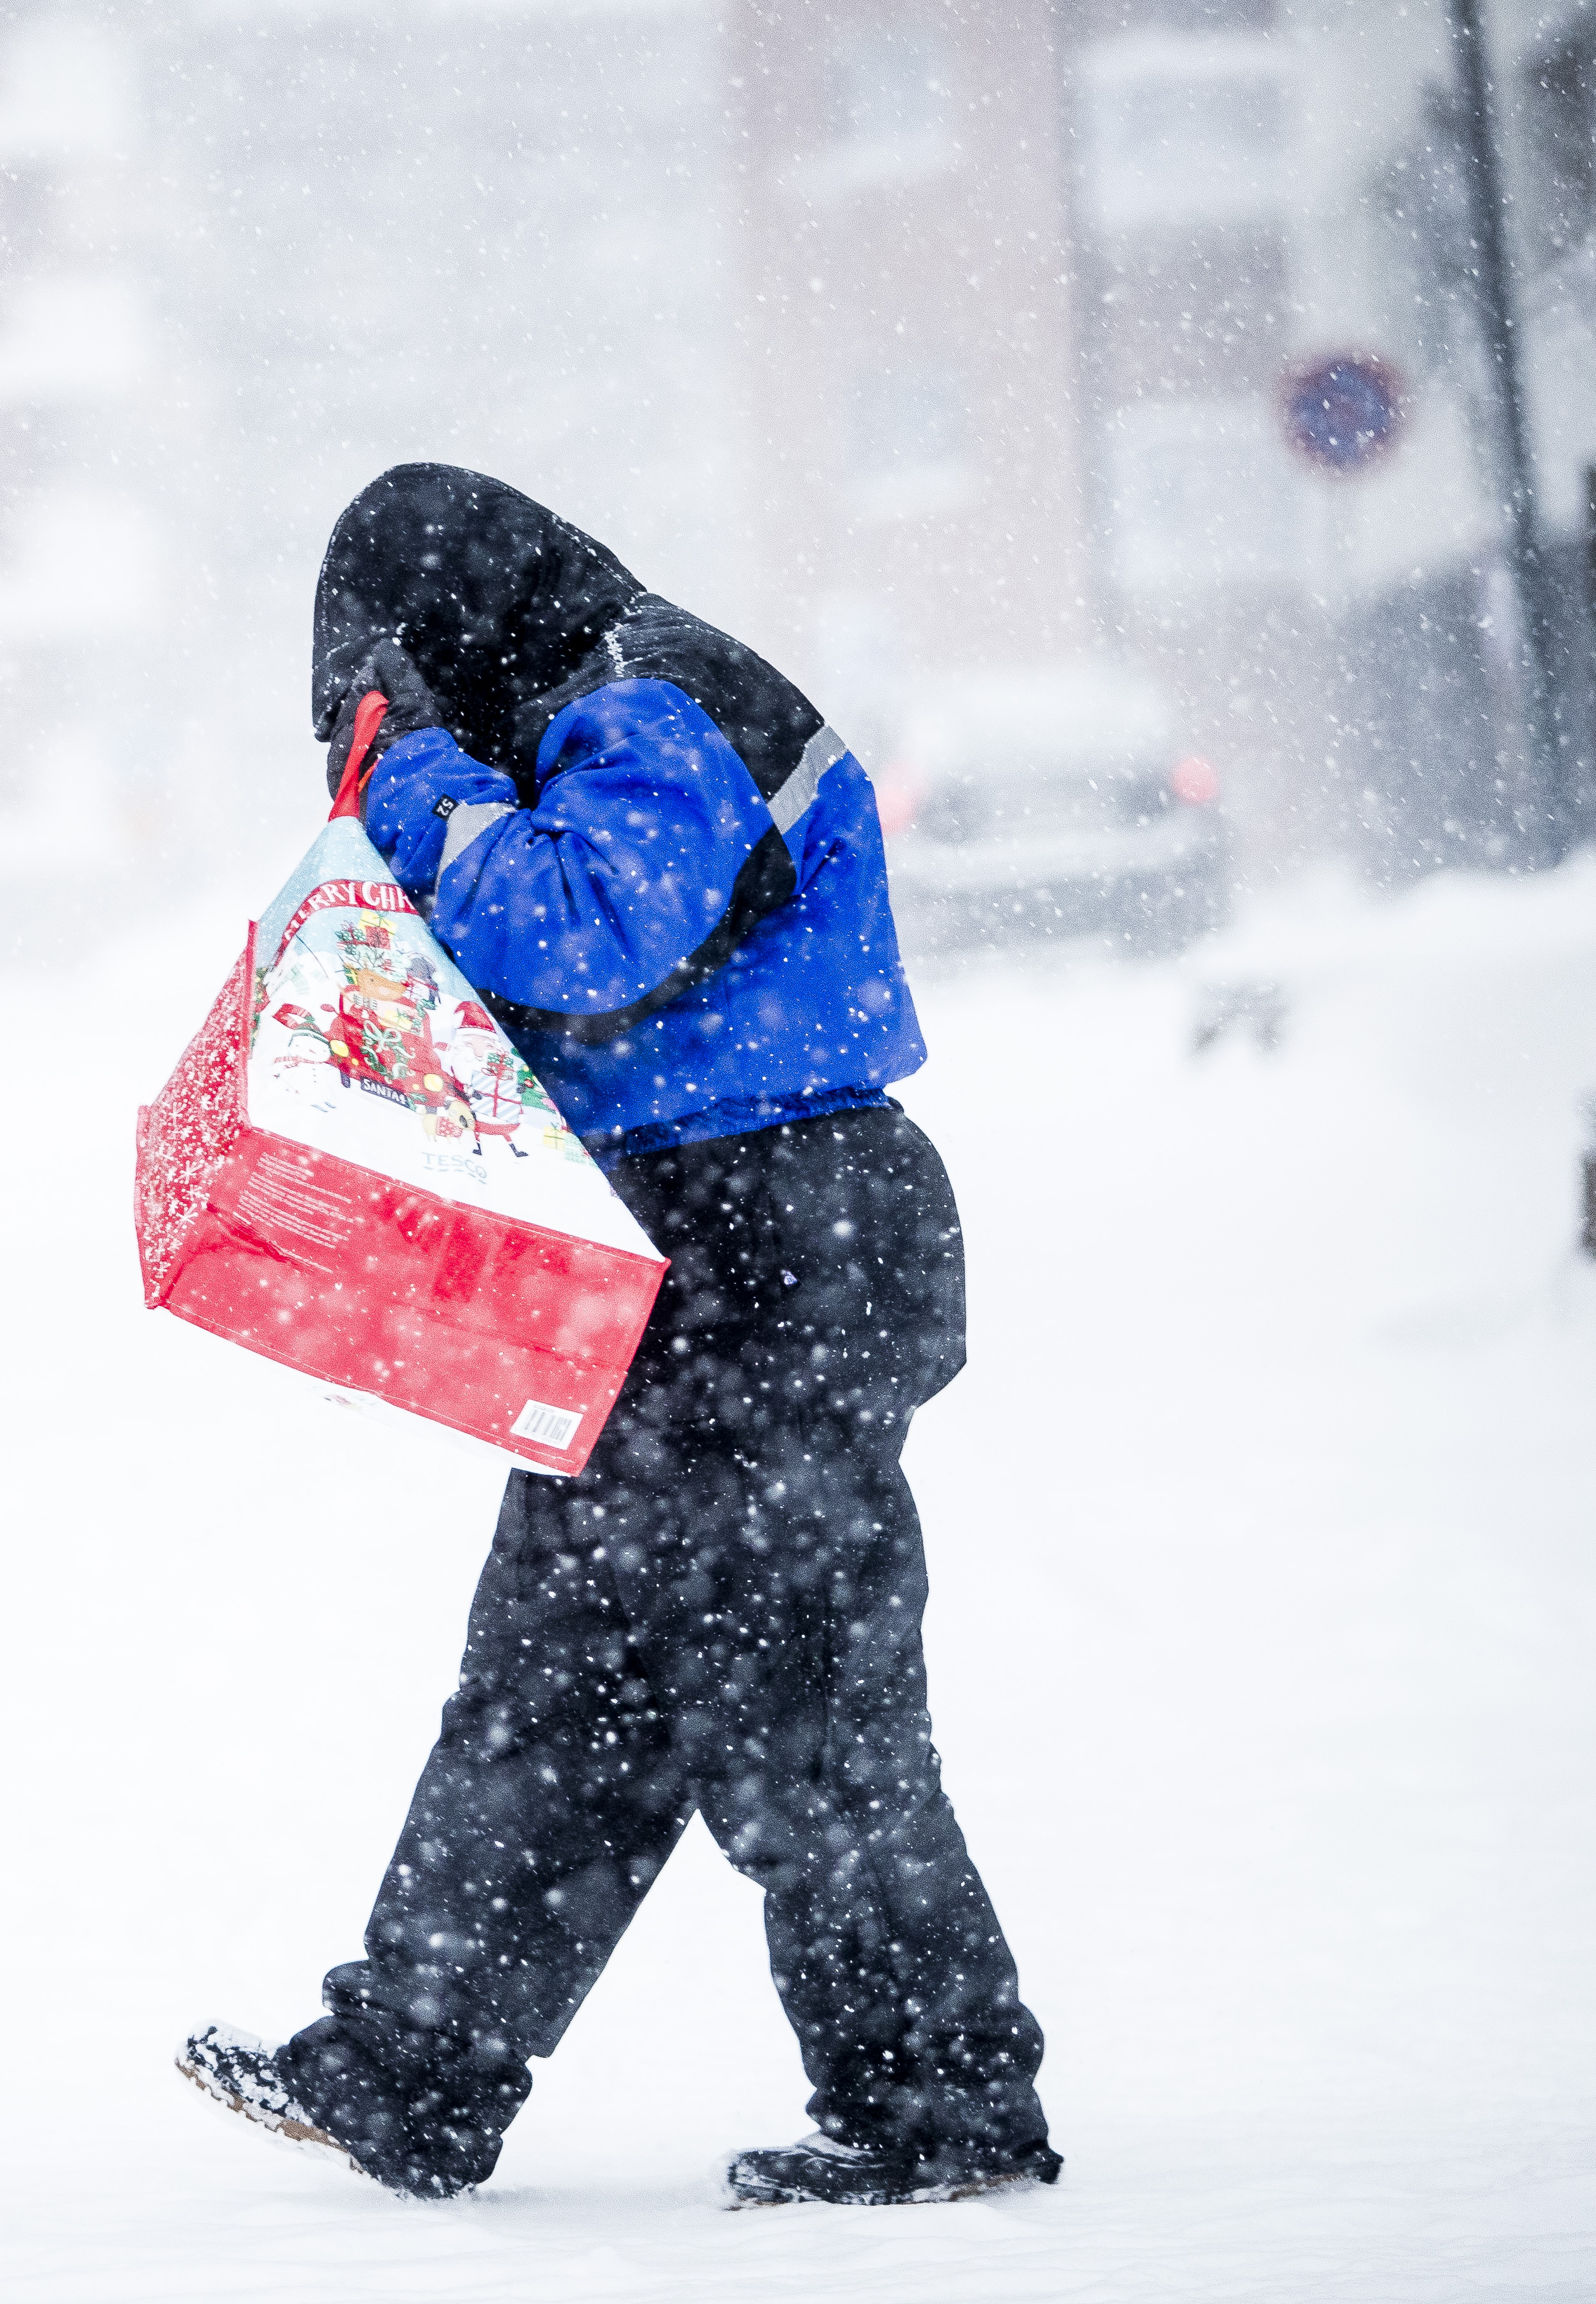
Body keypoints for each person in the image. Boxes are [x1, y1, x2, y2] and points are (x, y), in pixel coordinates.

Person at [178, 465, 1058, 2209]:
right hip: (681, 1246)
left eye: (396, 680)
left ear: (448, 628)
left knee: (807, 1702)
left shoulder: (654, 691)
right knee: (559, 1684)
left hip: (785, 1239)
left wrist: (418, 781)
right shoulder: (565, 721)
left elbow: (591, 934)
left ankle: (946, 2109)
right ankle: (414, 2066)